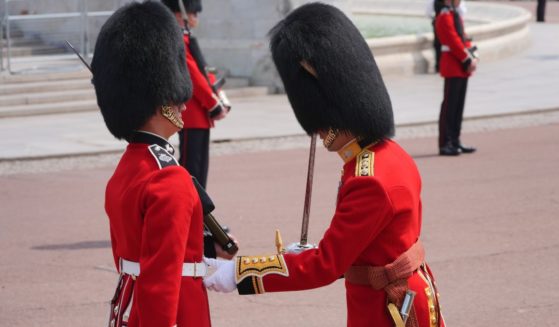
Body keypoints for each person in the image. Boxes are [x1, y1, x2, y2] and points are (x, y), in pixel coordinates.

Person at [203, 4, 445, 327]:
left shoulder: (369, 179)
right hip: (397, 297)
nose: (318, 131)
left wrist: (239, 272)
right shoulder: (388, 156)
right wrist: (302, 255)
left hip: (386, 310)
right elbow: (365, 247)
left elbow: (325, 265)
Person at [91, 2, 212, 325]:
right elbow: (162, 280)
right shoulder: (168, 179)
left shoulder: (129, 166)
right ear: (162, 102)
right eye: (177, 99)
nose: (184, 105)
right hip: (175, 310)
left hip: (131, 303)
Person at [162, 0, 230, 189]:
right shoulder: (176, 41)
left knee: (199, 171)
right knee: (190, 170)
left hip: (200, 112)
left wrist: (219, 96)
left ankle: (200, 214)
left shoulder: (186, 38)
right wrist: (213, 103)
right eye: (193, 13)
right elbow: (193, 75)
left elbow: (204, 70)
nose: (195, 17)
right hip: (191, 112)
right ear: (178, 14)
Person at [436, 0, 478, 156]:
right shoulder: (445, 15)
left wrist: (473, 55)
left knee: (458, 106)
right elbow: (453, 40)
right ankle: (445, 142)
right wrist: (467, 59)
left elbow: (463, 37)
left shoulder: (454, 14)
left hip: (460, 65)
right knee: (449, 107)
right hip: (453, 65)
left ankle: (455, 139)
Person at [426, 0, 466, 72]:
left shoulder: (446, 16)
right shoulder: (447, 17)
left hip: (440, 23)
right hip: (454, 65)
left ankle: (439, 65)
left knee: (438, 44)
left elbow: (429, 13)